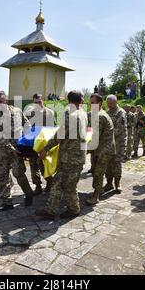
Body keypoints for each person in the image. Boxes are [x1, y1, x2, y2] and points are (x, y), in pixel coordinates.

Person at [35, 90, 88, 219]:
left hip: (71, 158)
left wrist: (45, 149)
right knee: (59, 183)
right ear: (80, 100)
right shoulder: (83, 113)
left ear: (69, 101)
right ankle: (51, 210)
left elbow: (60, 135)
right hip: (74, 157)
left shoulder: (72, 115)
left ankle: (73, 209)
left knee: (67, 186)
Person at [0, 91, 34, 211]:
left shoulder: (17, 111)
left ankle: (29, 194)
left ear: (6, 101)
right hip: (1, 150)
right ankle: (7, 202)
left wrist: (26, 142)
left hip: (17, 149)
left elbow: (27, 124)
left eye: (1, 101)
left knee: (19, 173)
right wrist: (10, 147)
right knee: (2, 176)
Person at [85, 93, 115, 206]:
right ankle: (99, 189)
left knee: (98, 172)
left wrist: (85, 149)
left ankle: (96, 196)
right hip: (97, 148)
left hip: (104, 149)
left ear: (100, 104)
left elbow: (94, 135)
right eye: (90, 103)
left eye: (93, 103)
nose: (91, 105)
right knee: (94, 170)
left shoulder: (101, 116)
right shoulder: (94, 115)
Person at [24, 93, 55, 195]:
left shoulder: (50, 113)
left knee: (44, 165)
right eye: (35, 102)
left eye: (39, 102)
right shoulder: (30, 113)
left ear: (43, 101)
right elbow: (26, 129)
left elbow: (53, 129)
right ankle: (37, 186)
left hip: (45, 144)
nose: (37, 104)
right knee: (33, 165)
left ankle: (49, 182)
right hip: (33, 143)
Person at [104, 94, 127, 193]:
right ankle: (109, 184)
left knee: (116, 164)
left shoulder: (120, 112)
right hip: (109, 143)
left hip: (118, 143)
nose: (109, 105)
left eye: (111, 103)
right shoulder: (107, 112)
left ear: (116, 102)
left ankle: (117, 184)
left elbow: (119, 129)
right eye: (108, 103)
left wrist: (105, 135)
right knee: (108, 164)